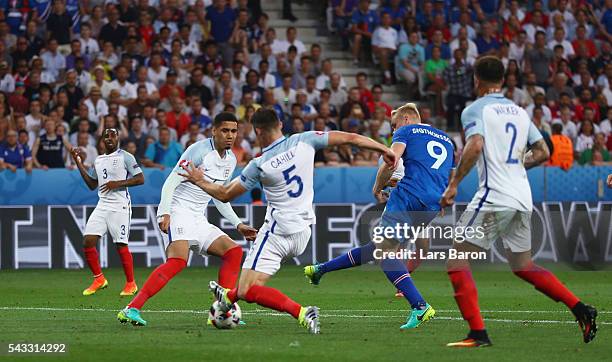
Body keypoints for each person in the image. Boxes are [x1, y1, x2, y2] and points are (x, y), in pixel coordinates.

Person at [178, 108, 396, 334]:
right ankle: (227, 296)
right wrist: (384, 149)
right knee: (243, 289)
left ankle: (301, 312)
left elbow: (224, 194)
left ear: (258, 131)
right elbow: (352, 138)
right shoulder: (305, 140)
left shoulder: (259, 164)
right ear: (280, 125)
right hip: (303, 234)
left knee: (247, 290)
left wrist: (199, 180)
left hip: (277, 233)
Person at [440, 56, 597, 348]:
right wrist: (514, 166)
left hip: (494, 196)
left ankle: (478, 333)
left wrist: (453, 185)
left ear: (477, 80)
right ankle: (581, 309)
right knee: (522, 265)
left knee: (456, 259)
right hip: (522, 197)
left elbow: (475, 145)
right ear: (503, 80)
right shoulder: (520, 112)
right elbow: (542, 152)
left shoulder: (475, 109)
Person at [304, 103, 454, 326]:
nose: (394, 131)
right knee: (380, 248)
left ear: (405, 120)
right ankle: (321, 269)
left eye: (394, 126)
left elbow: (391, 161)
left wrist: (377, 187)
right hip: (433, 203)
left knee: (384, 253)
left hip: (408, 196)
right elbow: (450, 175)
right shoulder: (447, 139)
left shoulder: (407, 131)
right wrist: (444, 197)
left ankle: (420, 306)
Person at [117, 112, 257, 326]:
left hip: (197, 216)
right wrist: (165, 212)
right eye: (225, 130)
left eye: (234, 131)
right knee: (178, 261)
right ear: (214, 131)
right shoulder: (199, 151)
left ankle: (220, 311)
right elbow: (171, 182)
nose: (230, 135)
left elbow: (220, 196)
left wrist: (238, 224)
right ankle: (131, 308)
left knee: (234, 252)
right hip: (177, 210)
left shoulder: (231, 159)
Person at [70, 128, 145, 296]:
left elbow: (140, 179)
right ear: (102, 140)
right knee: (88, 240)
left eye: (113, 135)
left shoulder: (125, 156)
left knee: (120, 244)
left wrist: (117, 183)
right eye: (106, 136)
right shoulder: (99, 160)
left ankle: (131, 284)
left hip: (120, 205)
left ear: (118, 138)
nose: (110, 138)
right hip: (102, 204)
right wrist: (79, 163)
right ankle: (99, 279)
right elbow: (92, 184)